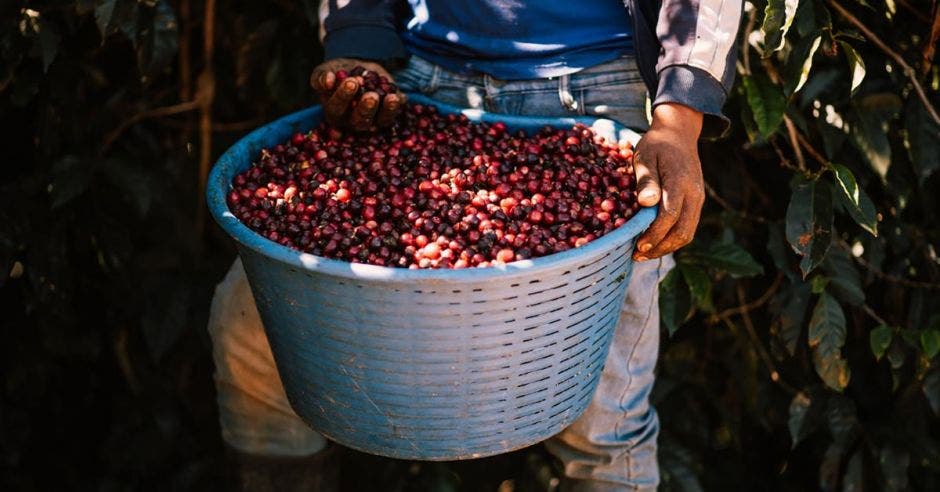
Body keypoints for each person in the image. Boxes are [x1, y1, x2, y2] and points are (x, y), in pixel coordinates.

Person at [208, 1, 741, 490]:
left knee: (603, 420)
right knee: (251, 340)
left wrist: (679, 115)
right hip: (414, 82)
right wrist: (358, 41)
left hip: (592, 92)